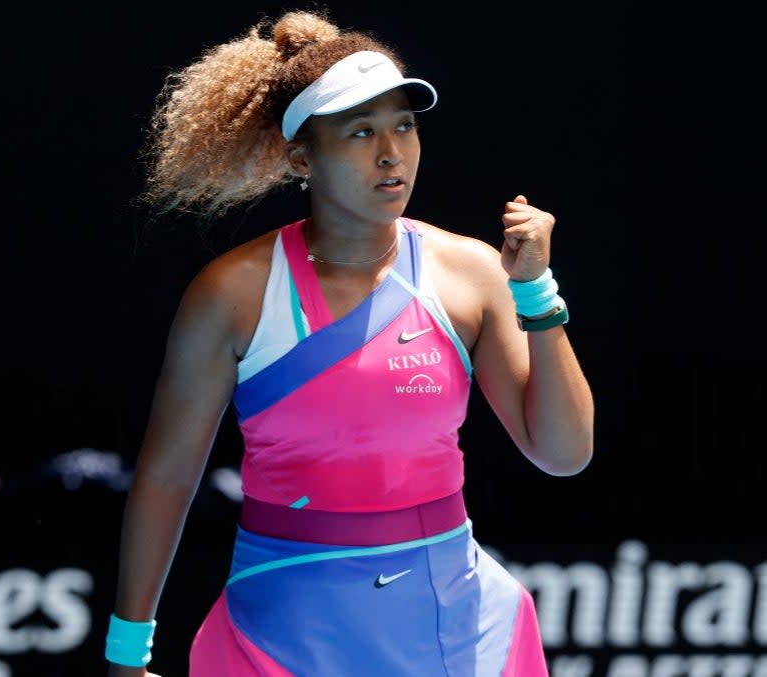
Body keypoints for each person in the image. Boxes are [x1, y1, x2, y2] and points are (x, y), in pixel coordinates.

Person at [105, 8, 594, 677]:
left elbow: (564, 453)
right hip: (274, 641)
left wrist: (536, 292)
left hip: (460, 636)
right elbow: (166, 478)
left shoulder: (470, 272)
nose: (391, 152)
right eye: (360, 131)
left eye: (403, 126)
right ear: (301, 156)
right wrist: (126, 653)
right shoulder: (232, 293)